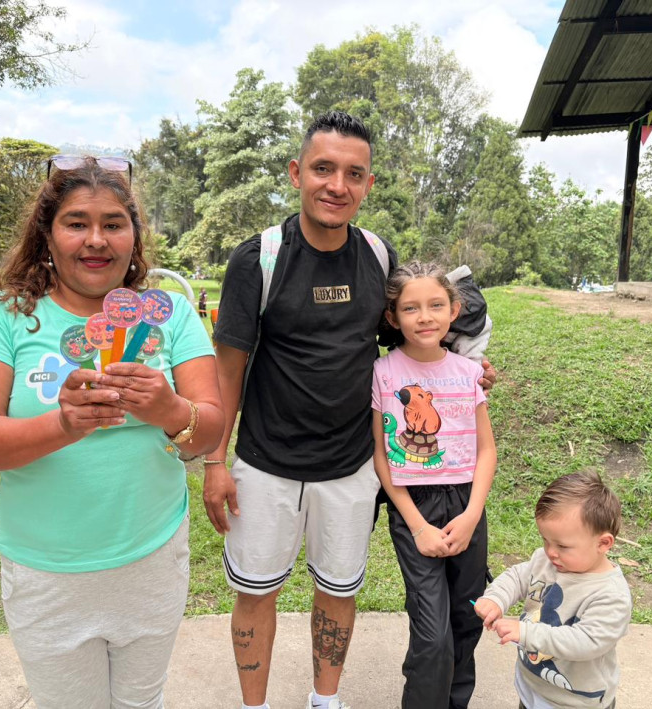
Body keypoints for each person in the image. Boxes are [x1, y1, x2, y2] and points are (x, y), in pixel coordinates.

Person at [205, 111, 496, 709]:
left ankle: (325, 700)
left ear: (367, 184)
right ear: (296, 173)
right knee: (256, 593)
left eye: (353, 173)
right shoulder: (258, 258)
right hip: (266, 463)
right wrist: (215, 459)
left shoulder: (377, 255)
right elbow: (227, 370)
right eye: (323, 169)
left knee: (337, 590)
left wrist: (463, 367)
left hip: (353, 465)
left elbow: (408, 343)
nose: (337, 185)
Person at [0, 155, 223, 709]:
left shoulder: (167, 314)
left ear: (133, 238)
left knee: (143, 703)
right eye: (76, 223)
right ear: (47, 234)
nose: (96, 240)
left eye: (113, 224)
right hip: (47, 571)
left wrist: (168, 408)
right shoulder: (5, 316)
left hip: (151, 558)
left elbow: (208, 432)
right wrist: (63, 424)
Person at [372, 261, 497, 709]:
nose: (424, 316)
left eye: (435, 305)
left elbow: (486, 451)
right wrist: (417, 525)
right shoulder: (384, 373)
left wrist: (471, 516)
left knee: (466, 621)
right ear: (393, 317)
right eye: (411, 308)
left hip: (466, 503)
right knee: (432, 634)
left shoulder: (469, 374)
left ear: (454, 311)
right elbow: (383, 457)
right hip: (414, 507)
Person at [473, 472, 632, 709]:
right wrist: (496, 598)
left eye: (562, 546)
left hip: (575, 700)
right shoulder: (547, 562)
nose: (551, 552)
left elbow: (586, 641)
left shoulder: (610, 594)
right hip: (534, 685)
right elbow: (518, 577)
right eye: (546, 540)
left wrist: (526, 633)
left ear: (603, 543)